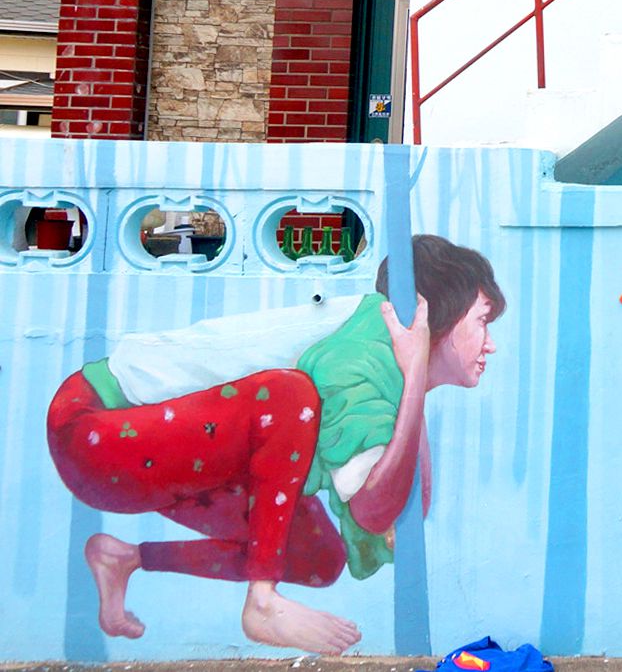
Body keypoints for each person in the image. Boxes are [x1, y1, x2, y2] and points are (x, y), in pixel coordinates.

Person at [45, 236, 503, 656]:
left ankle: (124, 558)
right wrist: (416, 374)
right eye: (483, 321)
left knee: (318, 558)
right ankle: (262, 600)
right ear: (437, 316)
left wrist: (416, 379)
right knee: (290, 396)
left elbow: (405, 511)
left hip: (162, 455)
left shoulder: (396, 365)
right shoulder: (360, 359)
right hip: (94, 430)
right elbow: (373, 509)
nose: (491, 345)